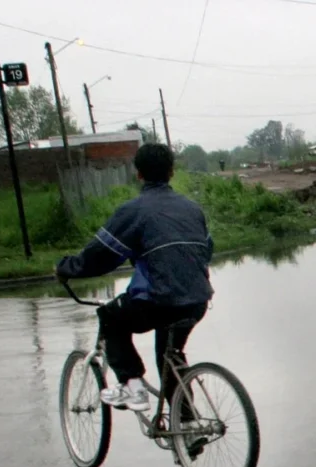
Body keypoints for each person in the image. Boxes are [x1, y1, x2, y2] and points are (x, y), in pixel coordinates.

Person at [55, 143, 214, 413]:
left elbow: (101, 255)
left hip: (158, 301)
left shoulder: (133, 210)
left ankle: (132, 385)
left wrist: (67, 268)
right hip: (197, 300)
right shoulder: (192, 209)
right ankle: (187, 421)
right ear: (172, 172)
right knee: (170, 357)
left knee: (111, 317)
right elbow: (206, 250)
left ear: (138, 173)